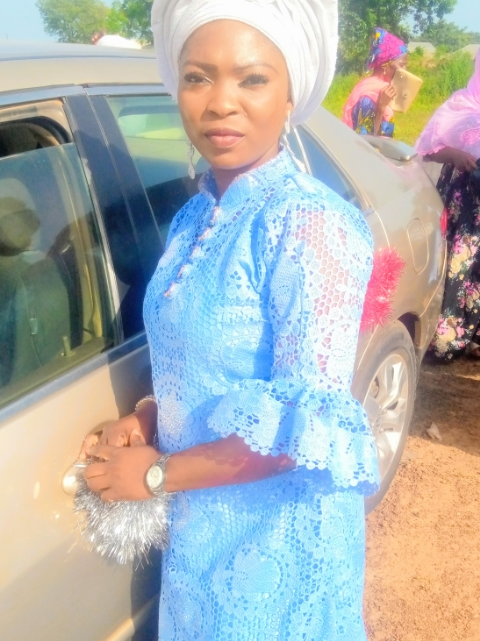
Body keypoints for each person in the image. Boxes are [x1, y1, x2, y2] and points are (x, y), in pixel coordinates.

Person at [81, 0, 379, 638]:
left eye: (252, 79)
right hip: (200, 531)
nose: (220, 102)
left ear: (291, 93)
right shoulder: (195, 216)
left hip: (275, 550)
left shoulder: (310, 224)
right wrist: (149, 415)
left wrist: (154, 474)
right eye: (198, 77)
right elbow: (207, 361)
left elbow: (304, 432)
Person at [416, 50, 480, 361]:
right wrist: (455, 155)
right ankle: (445, 340)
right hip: (461, 205)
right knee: (457, 263)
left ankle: (474, 335)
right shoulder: (461, 104)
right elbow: (428, 149)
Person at [342, 27, 408, 137]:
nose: (405, 70)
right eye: (402, 65)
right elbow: (363, 141)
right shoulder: (368, 98)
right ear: (385, 65)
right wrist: (380, 109)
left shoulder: (383, 90)